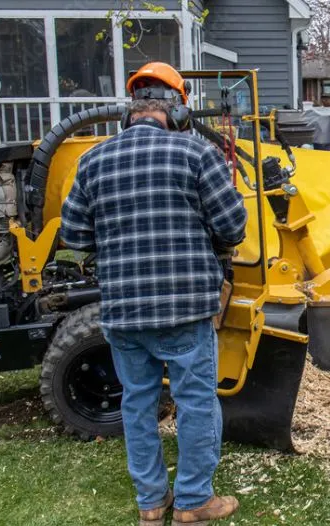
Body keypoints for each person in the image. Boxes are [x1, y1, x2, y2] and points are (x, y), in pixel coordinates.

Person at [61, 62, 247, 526]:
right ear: (178, 110)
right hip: (185, 308)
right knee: (195, 403)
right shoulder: (196, 154)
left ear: (132, 110)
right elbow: (233, 226)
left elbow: (74, 236)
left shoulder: (92, 161)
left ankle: (151, 502)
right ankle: (192, 502)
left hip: (124, 312)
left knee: (137, 403)